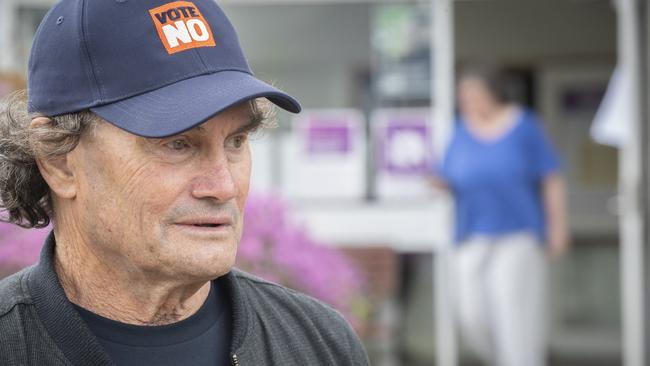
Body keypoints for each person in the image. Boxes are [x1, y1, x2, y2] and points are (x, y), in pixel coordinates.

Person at [0, 1, 370, 365]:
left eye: (236, 141)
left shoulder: (319, 344)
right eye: (177, 144)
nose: (223, 186)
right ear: (59, 162)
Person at [432, 66, 569, 366]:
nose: (466, 100)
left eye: (472, 93)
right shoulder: (460, 131)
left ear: (492, 92)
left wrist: (557, 227)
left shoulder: (523, 125)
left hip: (517, 234)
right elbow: (448, 175)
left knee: (514, 314)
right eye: (462, 95)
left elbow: (551, 178)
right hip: (471, 234)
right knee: (471, 313)